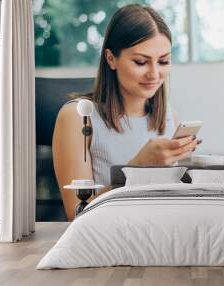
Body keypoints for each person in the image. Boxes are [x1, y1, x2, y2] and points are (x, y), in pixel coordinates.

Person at [52, 4, 202, 221]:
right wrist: (136, 168)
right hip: (107, 238)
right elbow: (78, 213)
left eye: (163, 61)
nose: (154, 74)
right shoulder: (77, 118)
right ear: (111, 59)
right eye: (141, 62)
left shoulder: (170, 116)